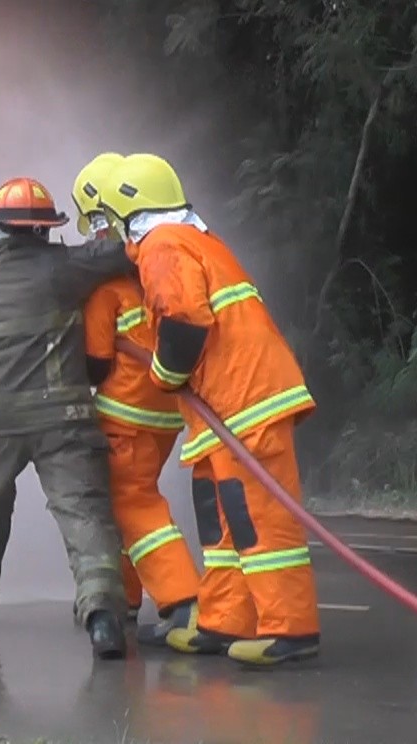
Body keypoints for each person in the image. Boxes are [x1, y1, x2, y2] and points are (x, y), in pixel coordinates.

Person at [87, 152, 321, 667]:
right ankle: (222, 621)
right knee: (222, 521)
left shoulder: (162, 247)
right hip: (223, 411)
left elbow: (186, 322)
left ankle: (290, 630)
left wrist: (164, 376)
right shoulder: (192, 240)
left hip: (246, 402)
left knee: (259, 520)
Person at [0, 175, 136, 660]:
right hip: (64, 418)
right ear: (44, 231)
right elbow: (122, 254)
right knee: (84, 511)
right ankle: (102, 618)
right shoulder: (64, 268)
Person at [69, 152, 201, 647]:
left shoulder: (107, 290)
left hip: (125, 416)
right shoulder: (156, 269)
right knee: (121, 506)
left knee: (133, 502)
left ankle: (183, 600)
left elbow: (96, 362)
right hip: (164, 414)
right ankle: (123, 600)